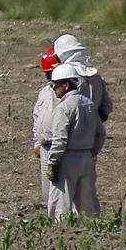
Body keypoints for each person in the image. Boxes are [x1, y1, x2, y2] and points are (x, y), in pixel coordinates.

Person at [53, 34, 112, 214]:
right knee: (87, 195)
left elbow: (61, 119)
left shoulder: (67, 77)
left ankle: (63, 231)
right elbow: (106, 107)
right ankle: (92, 228)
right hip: (88, 144)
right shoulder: (95, 76)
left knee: (64, 197)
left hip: (68, 148)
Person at [46, 63, 106, 221]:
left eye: (56, 85)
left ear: (65, 85)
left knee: (61, 204)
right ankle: (93, 232)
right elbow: (101, 134)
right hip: (86, 157)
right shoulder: (89, 104)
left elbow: (60, 138)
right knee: (87, 205)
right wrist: (91, 152)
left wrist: (53, 161)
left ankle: (61, 233)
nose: (54, 89)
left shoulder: (64, 107)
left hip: (68, 158)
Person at [32, 48, 60, 205]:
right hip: (45, 148)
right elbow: (37, 117)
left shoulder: (68, 92)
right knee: (48, 193)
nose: (50, 77)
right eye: (47, 74)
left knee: (62, 192)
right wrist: (37, 142)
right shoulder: (44, 92)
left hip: (61, 147)